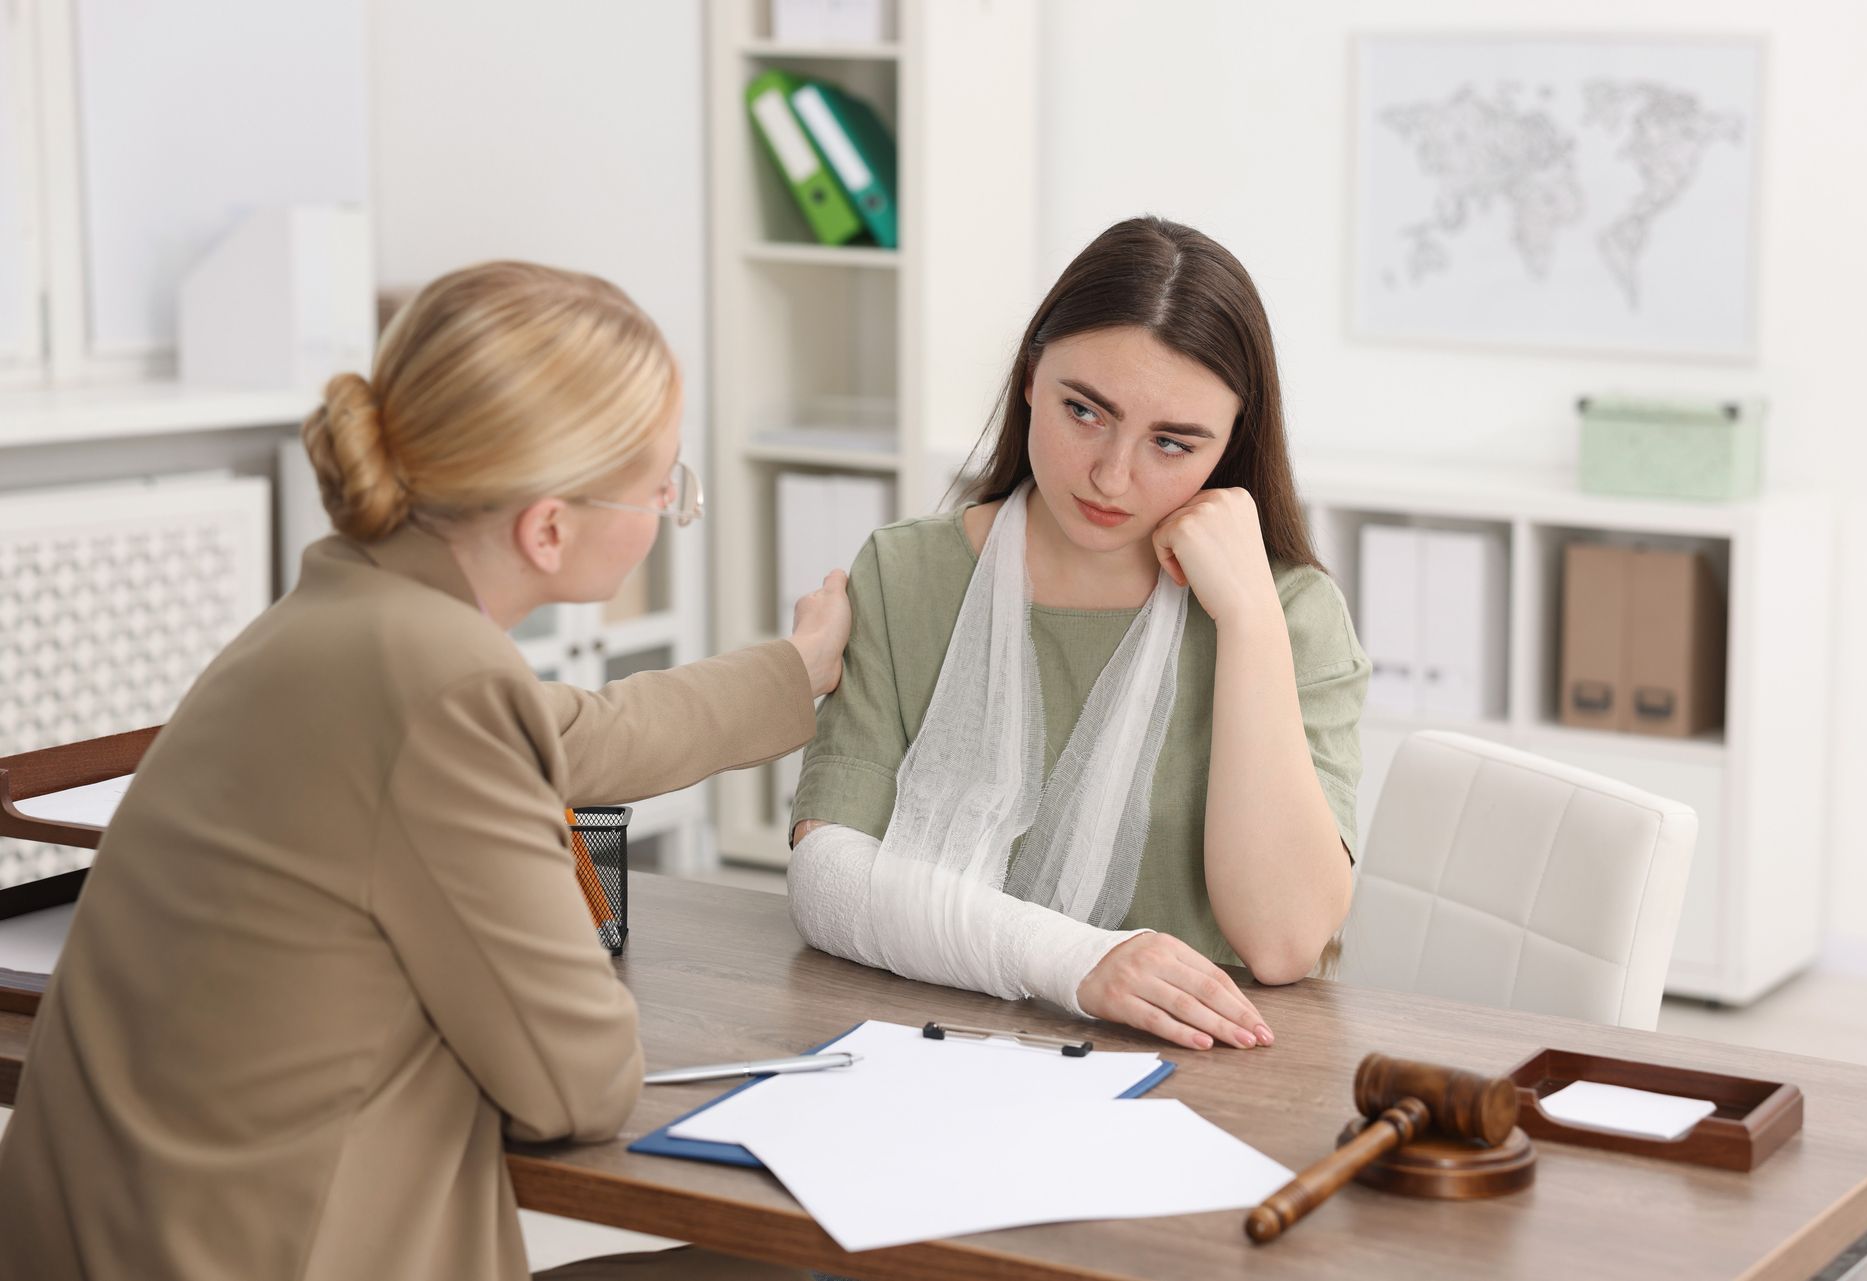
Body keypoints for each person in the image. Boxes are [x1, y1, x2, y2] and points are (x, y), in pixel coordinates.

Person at [0, 261, 847, 1281]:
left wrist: (795, 672)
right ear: (549, 526)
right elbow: (575, 1085)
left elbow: (575, 731)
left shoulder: (339, 620)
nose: (672, 503)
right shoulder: (445, 688)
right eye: (663, 482)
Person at [786, 217, 1367, 1054]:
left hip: (1204, 1077)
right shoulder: (907, 573)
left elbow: (1281, 945)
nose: (1112, 474)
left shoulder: (1291, 612)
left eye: (1173, 442)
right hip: (932, 1052)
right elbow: (829, 881)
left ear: (1231, 445)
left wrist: (1248, 618)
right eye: (1084, 411)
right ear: (1030, 378)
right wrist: (1079, 962)